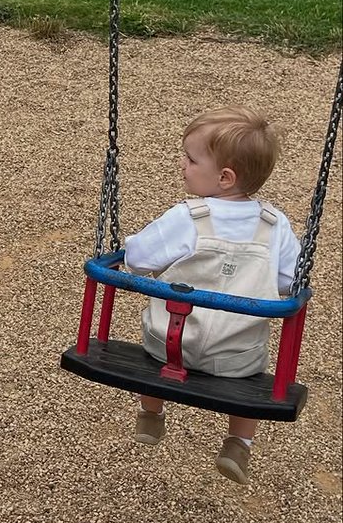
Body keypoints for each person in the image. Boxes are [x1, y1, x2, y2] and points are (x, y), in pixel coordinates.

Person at [123, 106, 300, 485]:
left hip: (170, 346)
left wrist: (140, 256)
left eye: (190, 159)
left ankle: (151, 414)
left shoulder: (187, 216)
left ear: (224, 177)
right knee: (254, 377)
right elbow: (289, 282)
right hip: (237, 357)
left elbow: (137, 260)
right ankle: (239, 443)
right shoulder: (275, 224)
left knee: (149, 348)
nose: (182, 166)